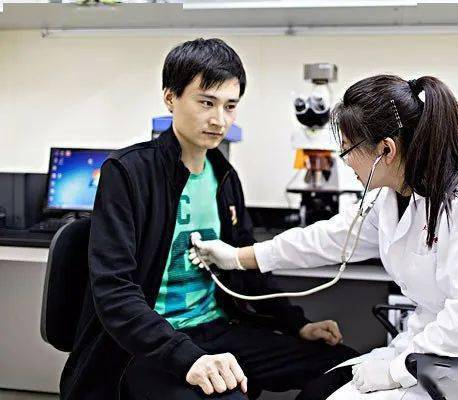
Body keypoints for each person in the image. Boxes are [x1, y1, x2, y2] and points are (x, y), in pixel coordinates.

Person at [190, 74, 458, 399]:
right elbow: (329, 238)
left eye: (347, 150)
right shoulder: (395, 198)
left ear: (386, 150)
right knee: (319, 390)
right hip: (427, 352)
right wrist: (238, 257)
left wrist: (396, 370)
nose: (346, 162)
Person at [60, 38, 358, 400]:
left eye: (230, 106)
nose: (220, 120)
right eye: (206, 103)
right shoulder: (128, 172)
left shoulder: (225, 178)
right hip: (148, 345)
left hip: (216, 329)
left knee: (347, 369)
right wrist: (187, 357)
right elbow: (114, 291)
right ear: (170, 98)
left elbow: (247, 273)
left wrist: (298, 324)